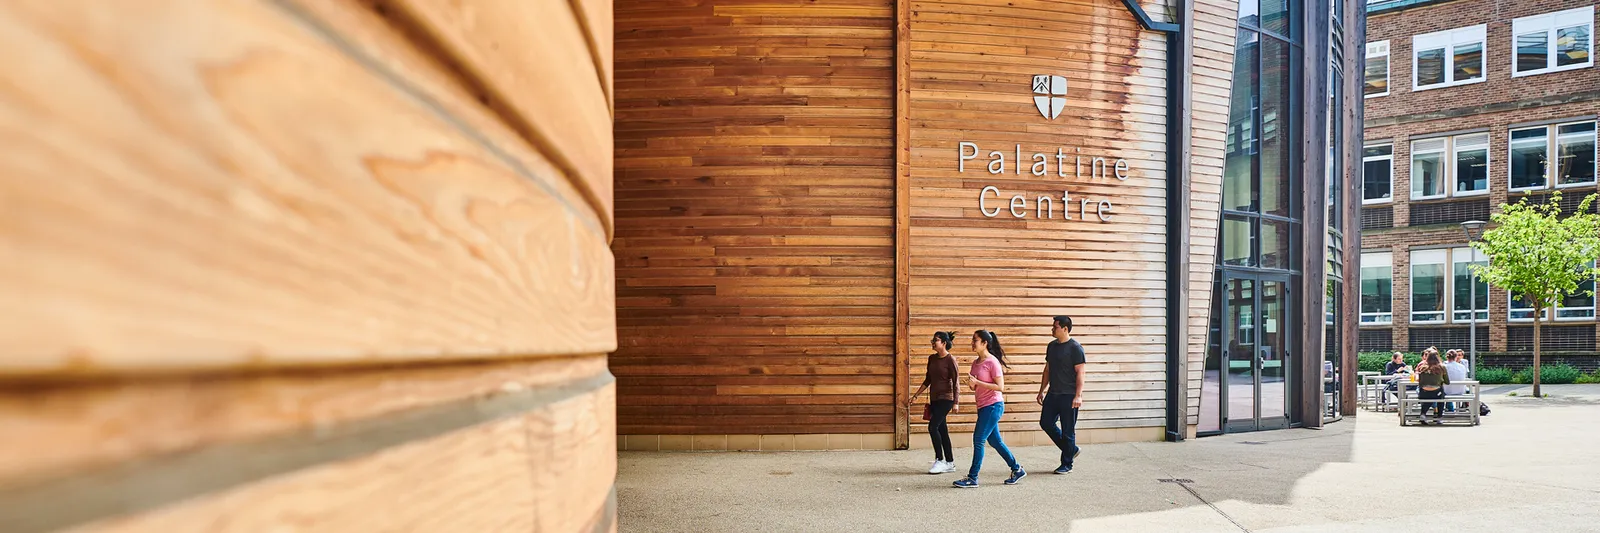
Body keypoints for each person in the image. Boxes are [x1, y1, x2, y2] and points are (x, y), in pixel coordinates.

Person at [953, 330, 1025, 488]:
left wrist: (978, 383)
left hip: (993, 406)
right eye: (972, 340)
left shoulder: (993, 362)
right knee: (995, 441)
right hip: (983, 406)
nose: (972, 343)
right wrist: (971, 384)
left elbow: (1000, 387)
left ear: (984, 343)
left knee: (979, 439)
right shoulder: (975, 363)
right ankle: (1017, 469)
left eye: (975, 340)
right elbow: (975, 386)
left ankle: (972, 477)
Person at [1036, 315, 1085, 474]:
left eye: (1055, 327)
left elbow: (1080, 373)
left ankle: (1067, 464)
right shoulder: (1051, 346)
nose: (1052, 329)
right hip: (1053, 393)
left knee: (1068, 431)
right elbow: (1047, 370)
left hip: (1069, 395)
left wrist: (1078, 395)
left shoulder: (1075, 348)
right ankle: (1071, 449)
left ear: (1065, 329)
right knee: (1046, 423)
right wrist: (1041, 390)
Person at [909, 331, 960, 474]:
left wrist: (956, 402)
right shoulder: (931, 358)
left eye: (935, 340)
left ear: (944, 343)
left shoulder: (950, 360)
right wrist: (916, 395)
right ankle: (950, 463)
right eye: (932, 340)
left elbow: (956, 382)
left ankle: (939, 460)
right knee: (942, 430)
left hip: (947, 399)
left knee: (933, 427)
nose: (932, 342)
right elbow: (928, 380)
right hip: (935, 399)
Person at [1413, 348, 1451, 425]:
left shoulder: (1422, 367)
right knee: (1440, 397)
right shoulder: (1442, 367)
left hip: (1423, 393)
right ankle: (1439, 417)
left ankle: (1423, 414)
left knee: (1428, 396)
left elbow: (1419, 381)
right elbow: (1447, 382)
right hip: (1437, 392)